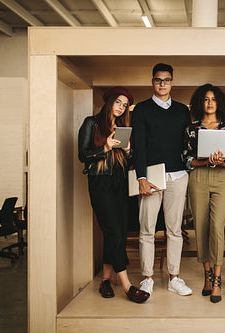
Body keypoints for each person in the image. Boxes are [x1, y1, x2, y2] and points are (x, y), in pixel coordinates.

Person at [78, 86, 149, 304]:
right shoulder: (91, 123)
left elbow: (126, 163)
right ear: (109, 102)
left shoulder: (122, 127)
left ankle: (105, 280)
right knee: (113, 232)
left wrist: (128, 152)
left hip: (120, 184)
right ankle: (127, 285)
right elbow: (83, 155)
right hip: (99, 183)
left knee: (117, 231)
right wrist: (105, 148)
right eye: (118, 102)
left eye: (125, 105)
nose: (121, 107)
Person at [132, 63, 192, 296]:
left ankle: (174, 278)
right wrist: (141, 177)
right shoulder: (141, 109)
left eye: (167, 80)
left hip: (178, 176)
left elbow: (188, 143)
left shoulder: (182, 110)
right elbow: (139, 146)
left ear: (172, 82)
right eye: (158, 80)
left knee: (174, 230)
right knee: (147, 229)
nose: (163, 84)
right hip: (151, 177)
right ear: (152, 82)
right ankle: (147, 278)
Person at [182, 84, 225, 303]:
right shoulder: (191, 129)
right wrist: (205, 160)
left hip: (222, 179)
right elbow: (185, 159)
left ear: (219, 103)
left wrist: (222, 162)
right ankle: (207, 276)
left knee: (216, 227)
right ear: (200, 103)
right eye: (206, 99)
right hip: (199, 178)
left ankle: (217, 279)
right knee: (201, 226)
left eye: (213, 99)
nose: (210, 103)